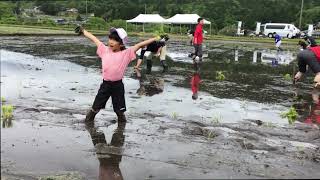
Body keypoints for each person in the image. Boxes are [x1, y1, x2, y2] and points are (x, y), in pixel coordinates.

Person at [74, 26, 162, 123]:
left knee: (119, 109)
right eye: (110, 39)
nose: (111, 42)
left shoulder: (126, 53)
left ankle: (122, 124)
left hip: (118, 86)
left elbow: (140, 45)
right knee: (96, 106)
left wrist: (156, 38)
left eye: (115, 40)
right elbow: (94, 39)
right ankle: (88, 120)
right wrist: (83, 31)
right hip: (105, 85)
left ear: (121, 44)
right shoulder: (104, 50)